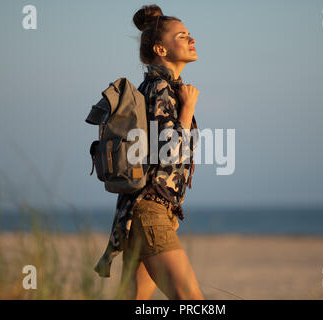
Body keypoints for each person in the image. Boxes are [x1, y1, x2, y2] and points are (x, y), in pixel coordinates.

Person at [94, 4, 203, 300]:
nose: (192, 40)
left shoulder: (160, 87)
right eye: (182, 36)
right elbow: (168, 150)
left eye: (190, 35)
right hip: (149, 211)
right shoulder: (160, 89)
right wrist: (189, 109)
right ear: (161, 49)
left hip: (148, 210)